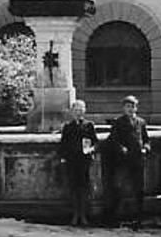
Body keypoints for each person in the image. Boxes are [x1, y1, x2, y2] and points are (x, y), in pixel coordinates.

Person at [105, 95, 150, 228]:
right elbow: (113, 140)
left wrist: (146, 148)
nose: (130, 109)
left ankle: (139, 217)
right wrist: (121, 149)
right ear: (124, 108)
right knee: (118, 187)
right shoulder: (118, 123)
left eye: (133, 106)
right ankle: (113, 216)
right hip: (123, 160)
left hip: (138, 160)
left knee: (139, 189)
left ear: (136, 108)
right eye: (128, 107)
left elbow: (146, 139)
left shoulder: (141, 122)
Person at [57, 99, 96, 227]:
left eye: (81, 110)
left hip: (84, 161)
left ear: (84, 111)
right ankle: (75, 214)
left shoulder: (89, 125)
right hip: (72, 161)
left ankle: (83, 215)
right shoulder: (68, 126)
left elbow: (95, 142)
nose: (78, 112)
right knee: (73, 187)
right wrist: (63, 157)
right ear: (72, 112)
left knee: (84, 188)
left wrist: (91, 149)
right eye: (76, 110)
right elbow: (63, 144)